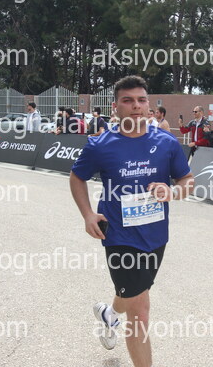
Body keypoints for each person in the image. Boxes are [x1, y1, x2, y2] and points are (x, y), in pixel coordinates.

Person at [69, 76, 193, 367]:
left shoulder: (166, 143)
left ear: (149, 105)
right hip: (118, 237)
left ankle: (109, 314)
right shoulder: (100, 145)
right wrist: (88, 214)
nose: (136, 106)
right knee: (140, 310)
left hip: (156, 236)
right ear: (116, 107)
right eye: (128, 100)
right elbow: (77, 177)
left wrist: (172, 192)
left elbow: (187, 180)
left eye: (141, 100)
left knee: (132, 295)